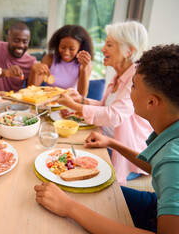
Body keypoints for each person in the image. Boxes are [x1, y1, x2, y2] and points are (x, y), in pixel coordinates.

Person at [35, 44, 179, 233]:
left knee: (73, 204)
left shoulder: (173, 161)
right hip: (157, 203)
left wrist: (69, 207)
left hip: (157, 220)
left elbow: (169, 167)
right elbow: (157, 167)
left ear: (151, 102)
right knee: (86, 190)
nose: (129, 91)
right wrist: (113, 143)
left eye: (133, 86)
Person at [56, 21, 153, 185]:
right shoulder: (120, 74)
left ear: (128, 50)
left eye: (109, 45)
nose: (102, 49)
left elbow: (114, 116)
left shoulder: (136, 79)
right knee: (60, 153)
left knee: (69, 169)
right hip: (104, 141)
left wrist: (74, 106)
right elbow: (106, 107)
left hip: (124, 156)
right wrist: (81, 100)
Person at [28, 25, 93, 96]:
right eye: (62, 47)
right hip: (49, 103)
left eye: (72, 49)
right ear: (57, 44)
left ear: (80, 47)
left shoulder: (85, 64)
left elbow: (82, 96)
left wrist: (84, 69)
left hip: (71, 103)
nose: (66, 52)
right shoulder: (49, 59)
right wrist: (34, 70)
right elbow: (32, 91)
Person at [0, 22, 38, 92]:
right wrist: (6, 72)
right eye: (16, 41)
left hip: (15, 102)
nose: (21, 45)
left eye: (25, 42)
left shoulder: (31, 61)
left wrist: (37, 72)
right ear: (8, 39)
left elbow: (30, 91)